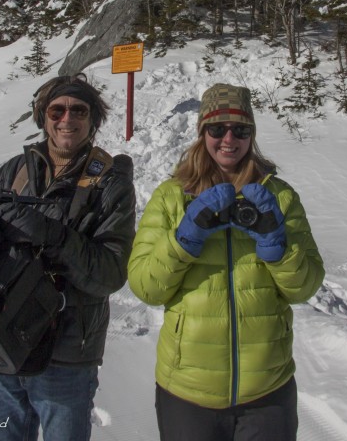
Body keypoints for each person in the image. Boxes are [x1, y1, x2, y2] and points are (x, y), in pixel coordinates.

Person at [127, 83, 324, 441]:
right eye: (217, 129)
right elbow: (146, 287)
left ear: (252, 135)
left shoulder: (279, 196)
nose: (228, 138)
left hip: (268, 390)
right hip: (187, 389)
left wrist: (278, 249)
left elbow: (305, 287)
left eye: (240, 129)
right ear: (202, 133)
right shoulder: (172, 196)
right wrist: (184, 240)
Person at [0, 73, 136, 441]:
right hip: (2, 339)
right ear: (43, 117)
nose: (67, 118)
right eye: (57, 109)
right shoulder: (15, 171)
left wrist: (53, 235)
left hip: (65, 354)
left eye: (79, 110)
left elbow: (110, 273)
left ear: (93, 119)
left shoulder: (110, 184)